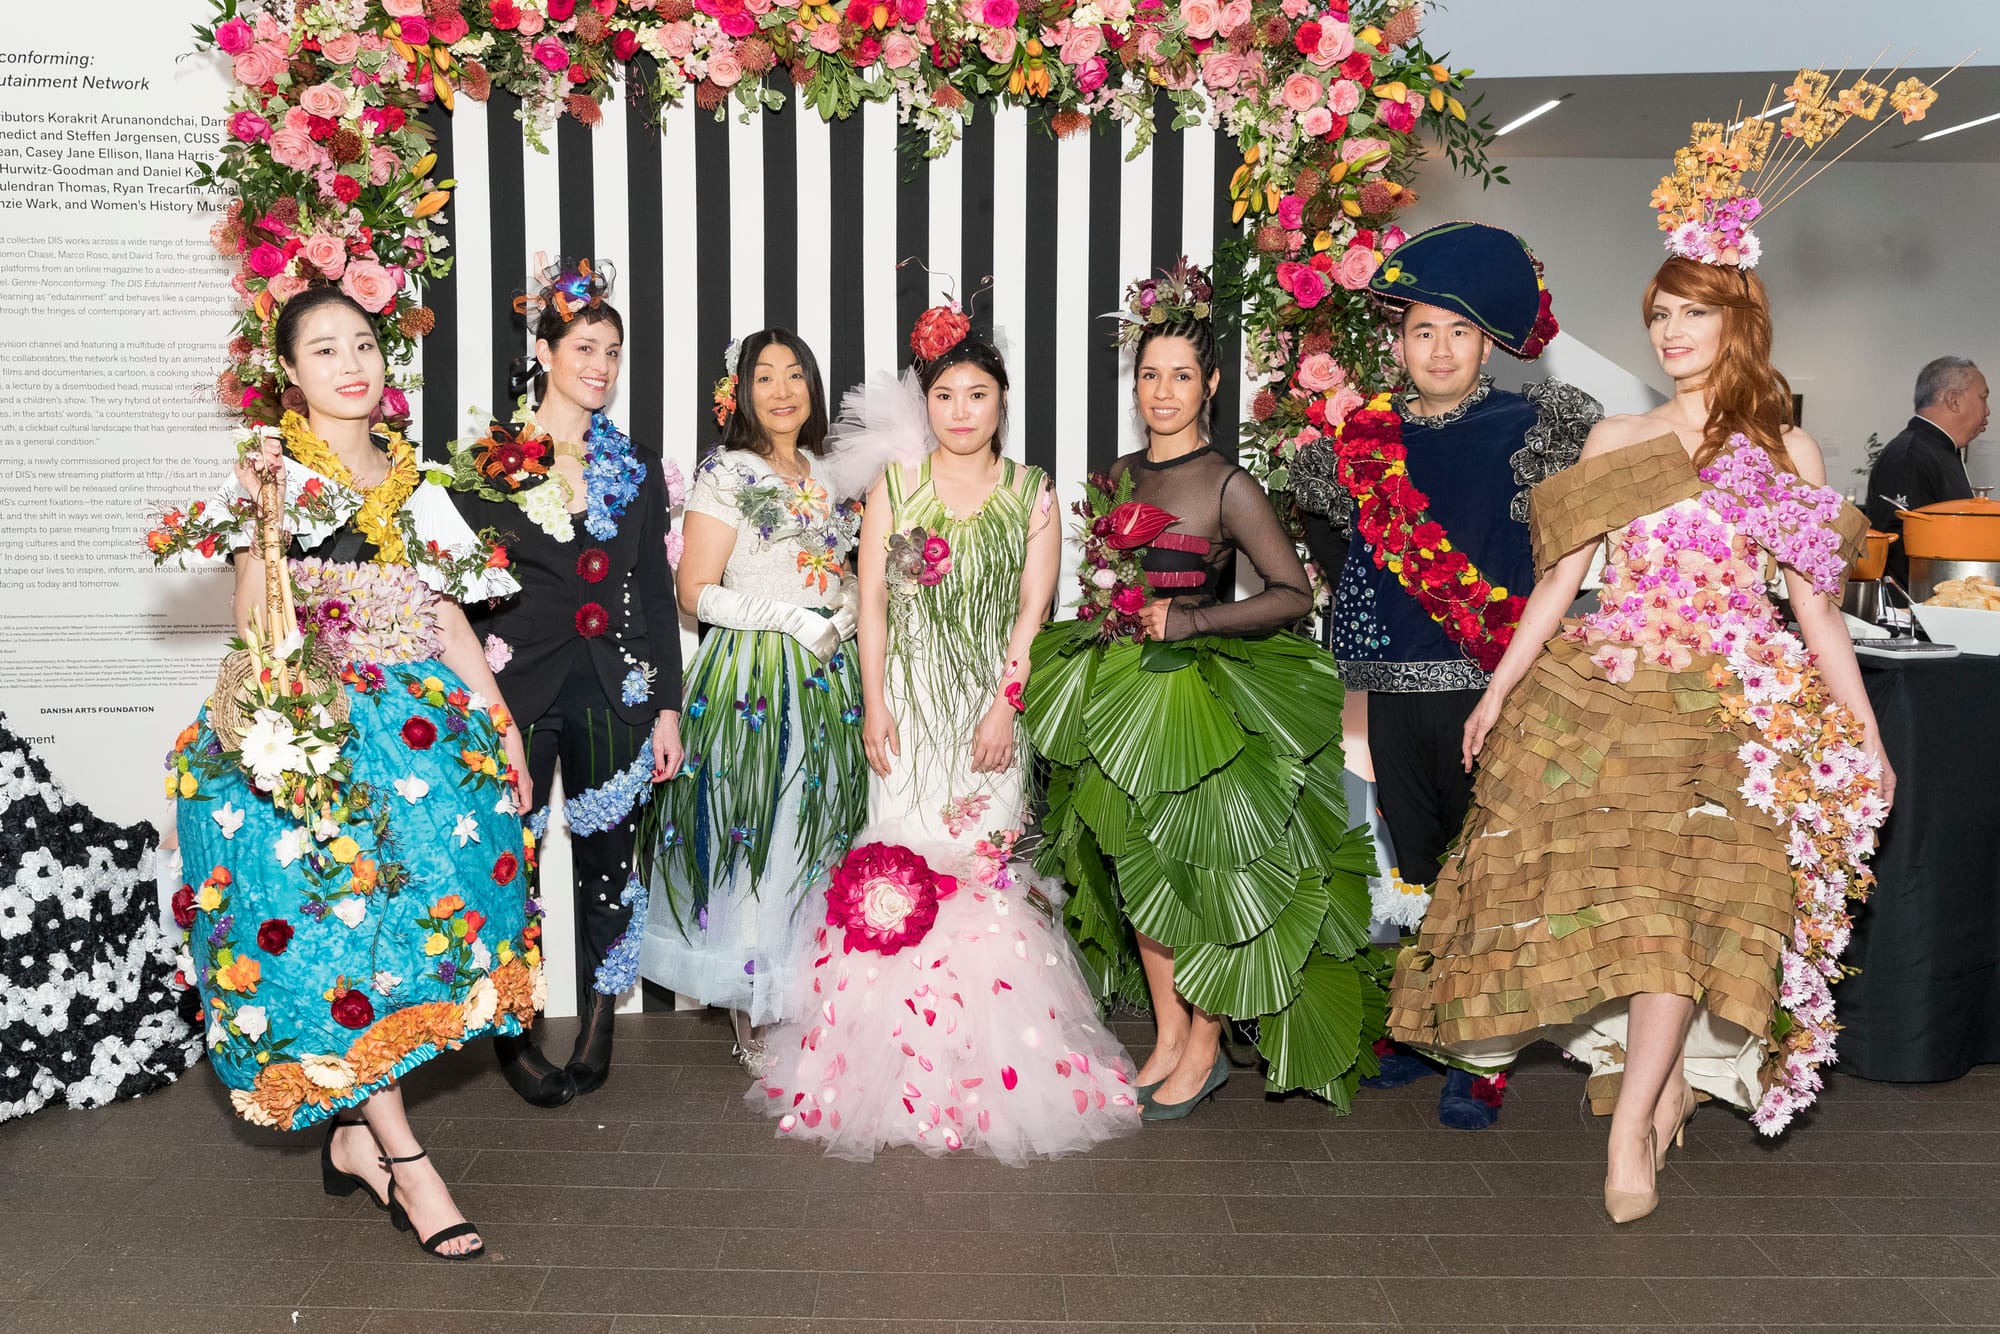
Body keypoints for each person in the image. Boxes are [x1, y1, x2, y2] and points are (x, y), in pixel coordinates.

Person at [1387, 247, 1895, 1223]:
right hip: (1613, 699)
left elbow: (1815, 610)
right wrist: (1496, 692)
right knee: (1629, 912)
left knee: (1683, 912)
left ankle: (1633, 1116)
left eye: (1689, 314)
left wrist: (1865, 736)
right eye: (1657, 313)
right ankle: (1648, 1092)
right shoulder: (1615, 437)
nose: (1667, 332)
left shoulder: (1780, 451)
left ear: (1733, 323)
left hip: (1733, 714)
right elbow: (1559, 575)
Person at [154, 286, 538, 1260]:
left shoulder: (418, 481)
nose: (351, 363)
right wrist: (269, 519)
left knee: (407, 934)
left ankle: (354, 1137)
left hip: (422, 742)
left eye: (362, 343)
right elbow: (255, 621)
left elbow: (446, 614)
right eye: (324, 349)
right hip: (312, 740)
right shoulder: (273, 475)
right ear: (291, 372)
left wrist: (500, 726)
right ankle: (410, 1163)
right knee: (338, 936)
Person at [751, 304, 1139, 1160]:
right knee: (901, 870)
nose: (962, 410)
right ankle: (890, 1072)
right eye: (946, 395)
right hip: (908, 712)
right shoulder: (896, 485)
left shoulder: (1032, 491)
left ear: (1002, 401)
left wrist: (1006, 705)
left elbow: (1035, 611)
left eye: (979, 393)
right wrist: (875, 701)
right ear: (926, 403)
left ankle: (984, 1067)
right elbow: (875, 601)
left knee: (983, 878)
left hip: (986, 718)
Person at [1026, 260, 1381, 1123]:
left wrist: (1190, 624)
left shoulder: (1228, 484)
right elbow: (1108, 578)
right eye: (1149, 375)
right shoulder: (1116, 472)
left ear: (1211, 384)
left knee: (1204, 871)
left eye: (1181, 376)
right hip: (1119, 687)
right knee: (1136, 866)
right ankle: (1167, 1032)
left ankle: (1206, 1045)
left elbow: (1293, 593)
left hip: (1201, 696)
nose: (1163, 391)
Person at [1290, 221, 1601, 1131]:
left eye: (1459, 332)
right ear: (1397, 340)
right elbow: (1331, 542)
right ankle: (1427, 1027)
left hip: (1492, 686)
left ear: (1488, 345)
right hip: (1391, 689)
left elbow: (1568, 552)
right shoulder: (1359, 444)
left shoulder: (1537, 428)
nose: (1439, 349)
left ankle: (1485, 1053)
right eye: (1423, 329)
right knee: (1419, 862)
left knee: (1489, 867)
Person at [432, 258, 684, 1105]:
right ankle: (516, 1034)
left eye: (613, 351)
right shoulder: (486, 466)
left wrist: (668, 708)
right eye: (585, 347)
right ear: (545, 350)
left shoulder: (640, 466)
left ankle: (602, 1018)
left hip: (618, 688)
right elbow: (453, 593)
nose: (602, 366)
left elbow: (650, 593)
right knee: (514, 864)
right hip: (516, 694)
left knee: (612, 864)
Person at [638, 330, 867, 1066]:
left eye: (795, 374)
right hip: (751, 681)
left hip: (830, 675)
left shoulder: (832, 472)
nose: (781, 390)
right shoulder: (728, 472)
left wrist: (849, 607)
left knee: (819, 833)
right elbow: (694, 590)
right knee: (754, 836)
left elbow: (847, 569)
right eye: (764, 377)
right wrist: (791, 619)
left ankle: (810, 1002)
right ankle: (756, 1016)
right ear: (740, 392)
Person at [1865, 355, 1989, 586]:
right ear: (1954, 401)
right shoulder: (1910, 455)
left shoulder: (1940, 450)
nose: (1988, 410)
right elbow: (1900, 546)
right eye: (1983, 398)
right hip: (1914, 608)